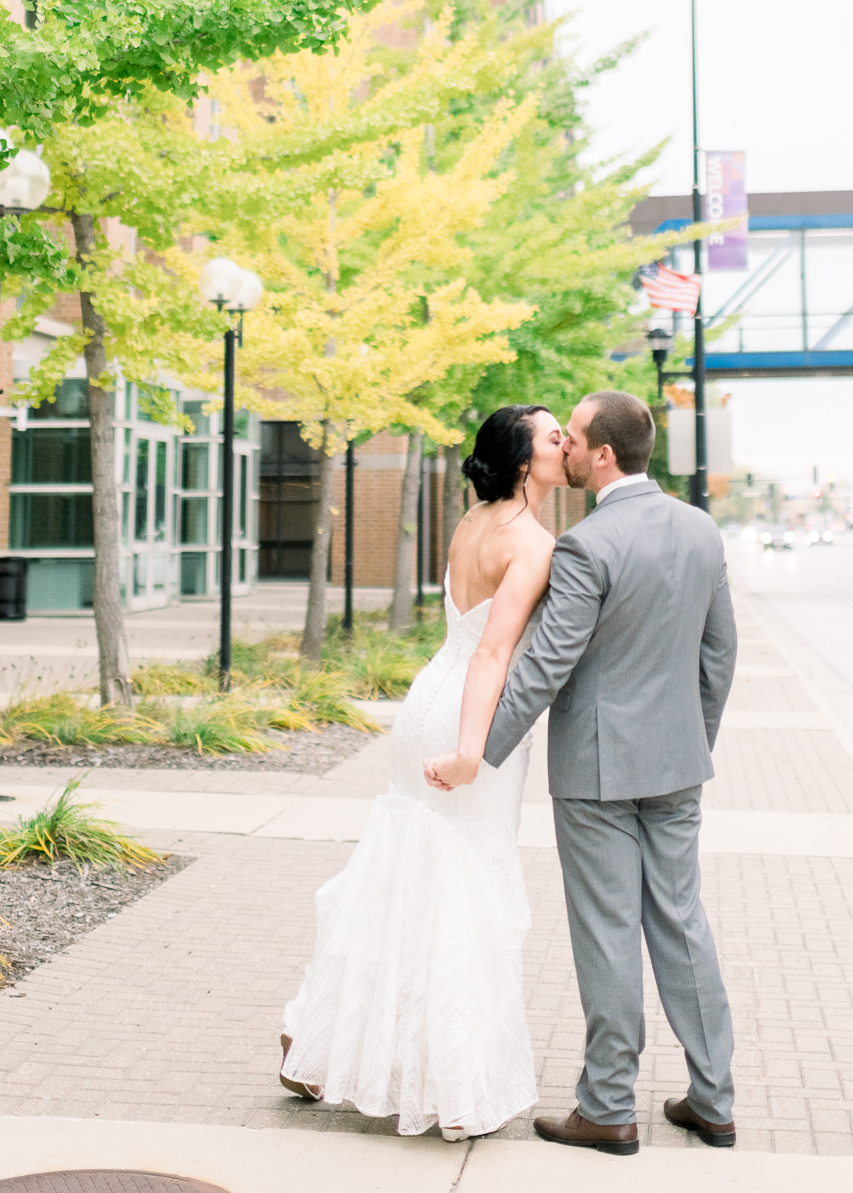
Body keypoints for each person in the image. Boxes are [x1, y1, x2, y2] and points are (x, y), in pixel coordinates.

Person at [431, 389, 738, 1156]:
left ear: (602, 456)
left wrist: (480, 753)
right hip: (676, 767)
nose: (562, 447)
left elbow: (544, 664)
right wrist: (689, 742)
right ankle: (714, 1100)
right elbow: (719, 654)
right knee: (682, 922)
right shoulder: (702, 532)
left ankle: (607, 1107)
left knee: (607, 932)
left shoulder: (588, 546)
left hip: (597, 774)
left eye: (570, 437)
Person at [278, 403, 566, 1139]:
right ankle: (455, 1084)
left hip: (423, 706)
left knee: (398, 875)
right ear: (525, 460)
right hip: (467, 716)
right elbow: (494, 654)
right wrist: (473, 750)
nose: (565, 444)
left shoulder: (473, 523)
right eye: (553, 437)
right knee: (466, 892)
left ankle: (319, 1039)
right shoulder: (532, 542)